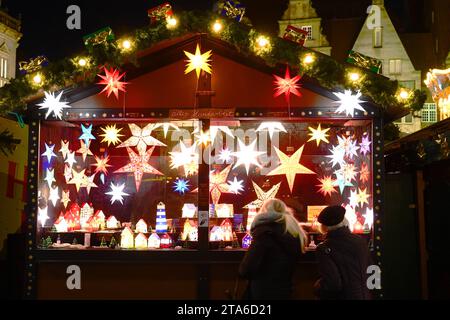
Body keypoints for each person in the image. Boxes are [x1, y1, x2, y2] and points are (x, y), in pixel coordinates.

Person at [239, 198, 307, 300]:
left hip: (262, 291)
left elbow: (246, 269)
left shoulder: (263, 233)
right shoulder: (294, 233)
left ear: (263, 212)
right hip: (286, 289)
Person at [314, 205, 372, 300]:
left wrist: (317, 288)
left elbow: (333, 284)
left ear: (323, 226)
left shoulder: (323, 248)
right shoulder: (360, 241)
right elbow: (373, 269)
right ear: (344, 221)